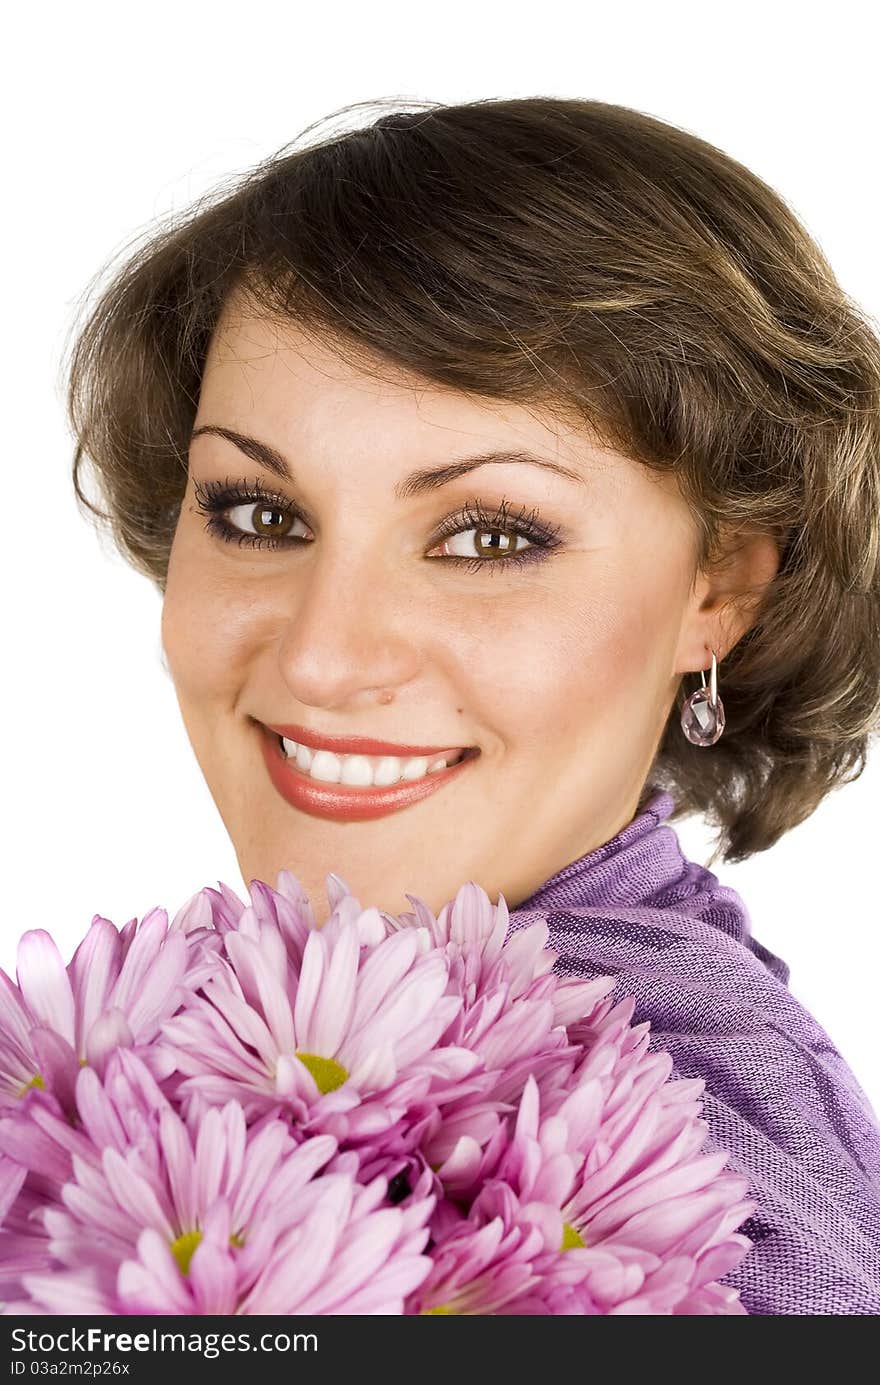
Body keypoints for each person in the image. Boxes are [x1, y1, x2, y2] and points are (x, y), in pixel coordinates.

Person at [64, 96, 880, 1313]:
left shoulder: (685, 1173)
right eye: (258, 514)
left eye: (490, 534)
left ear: (719, 593)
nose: (324, 659)